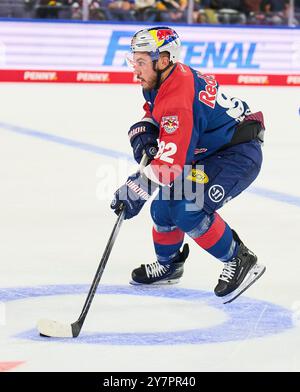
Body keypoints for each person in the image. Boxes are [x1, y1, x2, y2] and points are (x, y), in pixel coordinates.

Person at [110, 26, 266, 302]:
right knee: (163, 208)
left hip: (236, 155)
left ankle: (241, 259)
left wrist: (137, 187)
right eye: (133, 60)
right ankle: (170, 266)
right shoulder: (164, 80)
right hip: (211, 151)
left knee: (187, 206)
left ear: (164, 59)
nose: (135, 69)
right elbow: (154, 114)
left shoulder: (178, 98)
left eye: (142, 62)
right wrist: (144, 130)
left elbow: (170, 166)